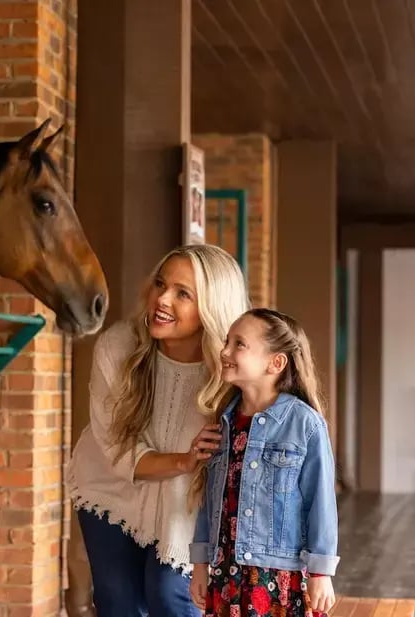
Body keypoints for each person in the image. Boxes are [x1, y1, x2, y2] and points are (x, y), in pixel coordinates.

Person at [66, 244, 250, 616]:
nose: (162, 299)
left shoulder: (230, 372)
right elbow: (118, 450)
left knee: (171, 596)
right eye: (160, 285)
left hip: (184, 500)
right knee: (120, 605)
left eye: (183, 294)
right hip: (111, 487)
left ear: (211, 307)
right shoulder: (118, 348)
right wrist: (184, 460)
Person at [189, 308, 339, 617]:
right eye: (227, 341)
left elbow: (320, 502)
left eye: (239, 344)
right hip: (226, 572)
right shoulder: (224, 421)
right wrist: (201, 563)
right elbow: (210, 499)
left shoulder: (305, 424)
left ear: (276, 362)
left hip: (278, 577)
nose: (224, 351)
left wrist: (321, 572)